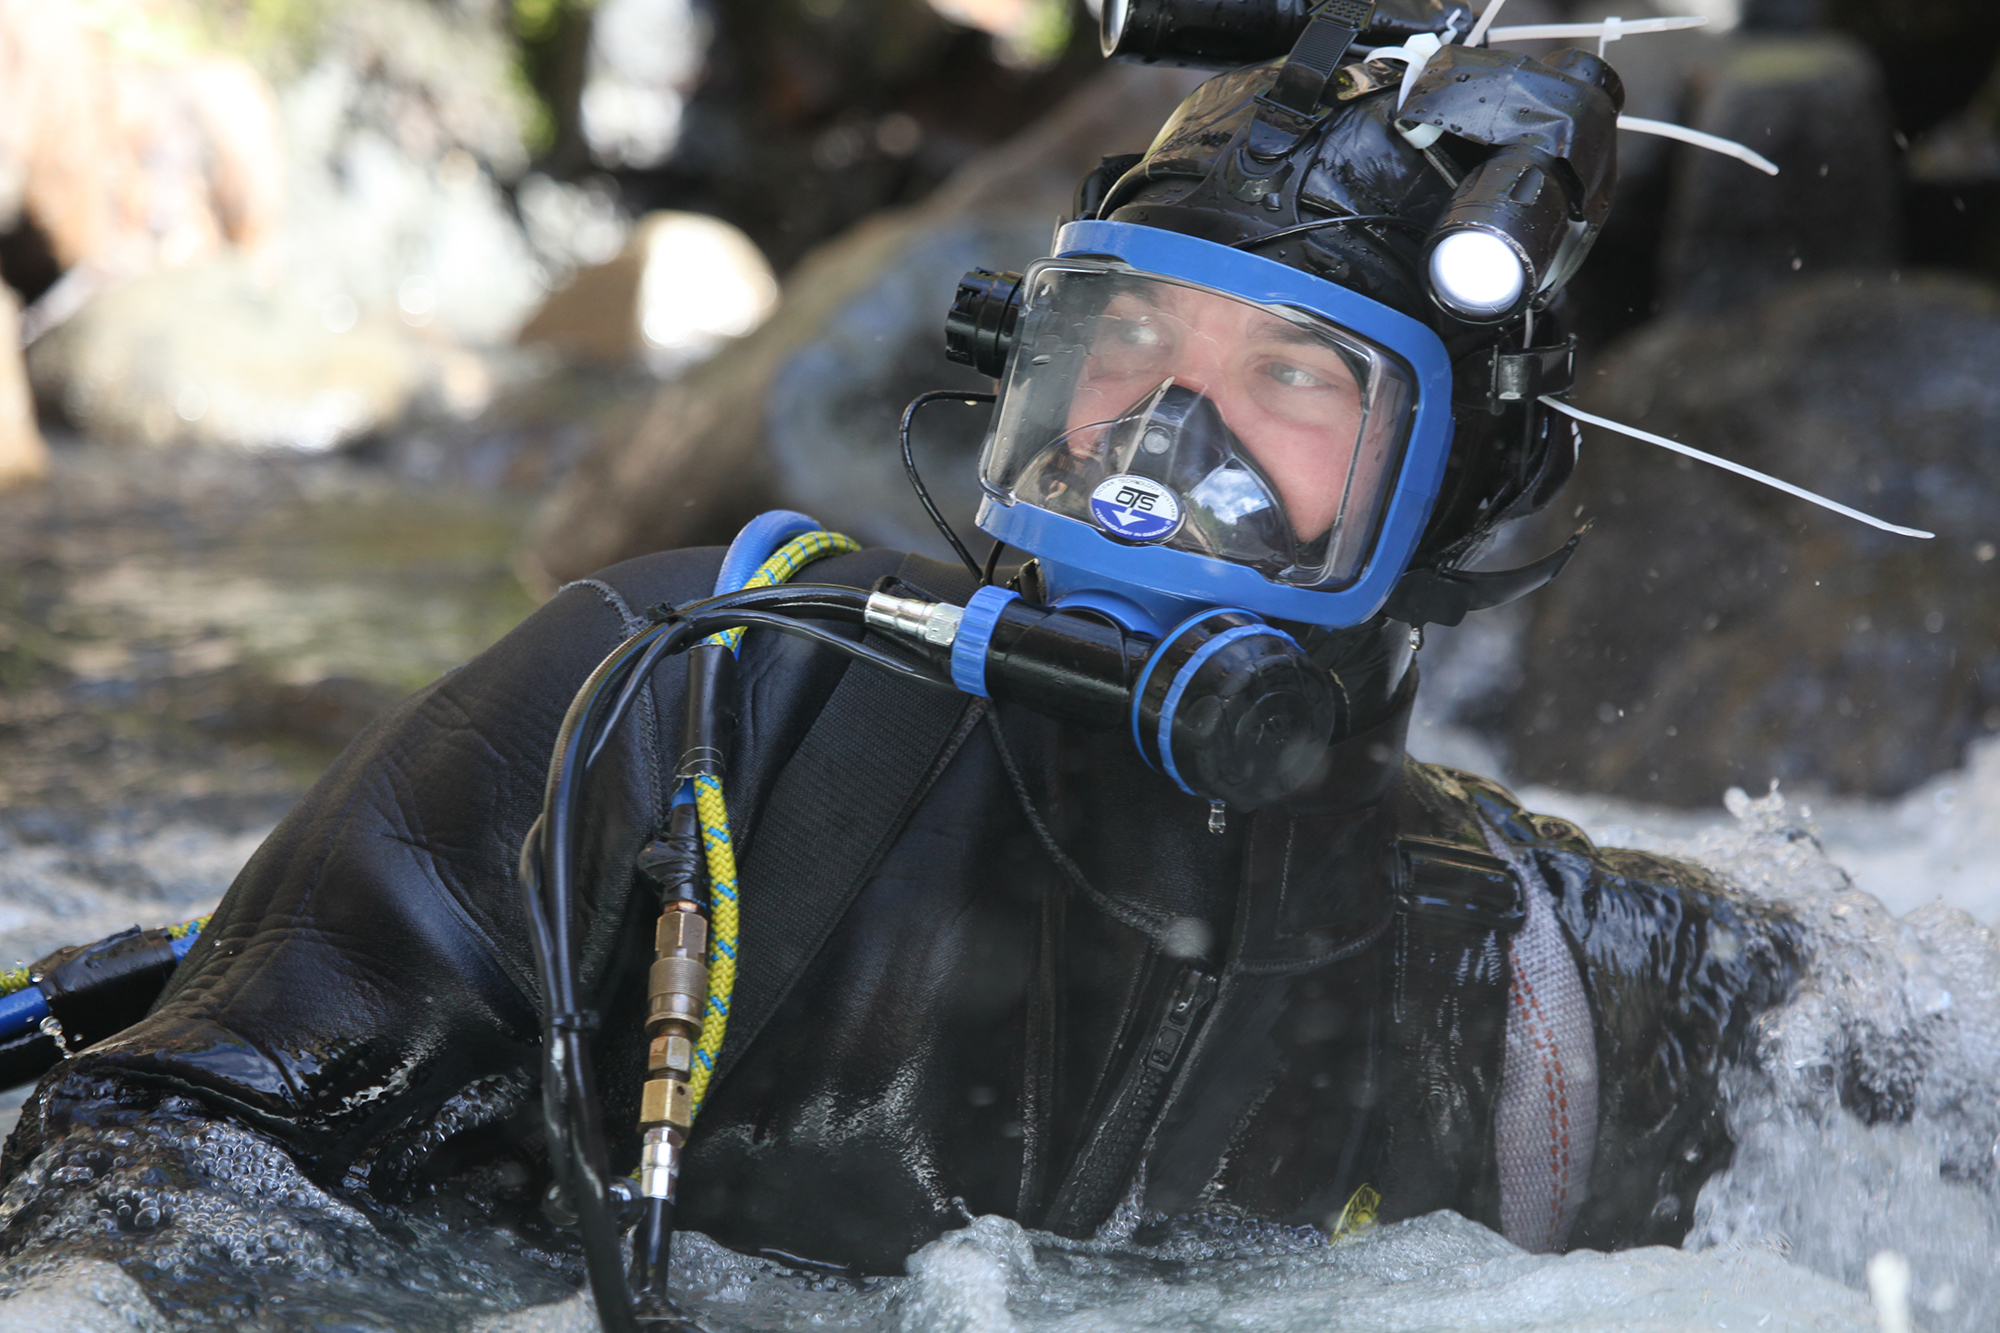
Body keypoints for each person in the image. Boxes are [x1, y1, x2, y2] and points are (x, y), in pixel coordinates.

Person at [0, 0, 1806, 1305]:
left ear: (1457, 497)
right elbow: (157, 1151)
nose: (1159, 432)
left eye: (1292, 379)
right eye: (1124, 338)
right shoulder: (674, 695)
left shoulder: (1521, 981)